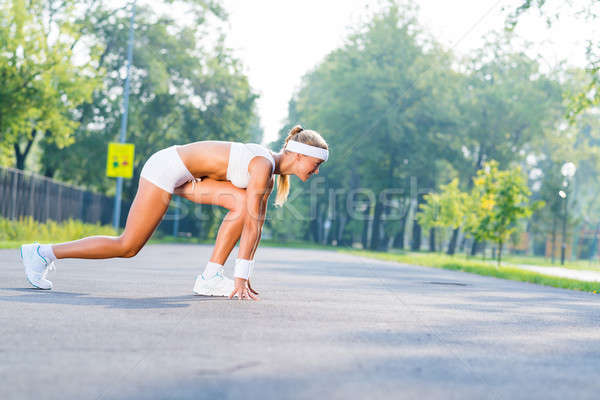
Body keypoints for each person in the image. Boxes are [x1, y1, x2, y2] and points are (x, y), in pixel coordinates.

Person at [20, 125, 329, 300]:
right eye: (317, 165)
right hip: (167, 168)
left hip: (189, 177)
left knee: (240, 204)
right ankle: (42, 253)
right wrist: (241, 277)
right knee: (128, 246)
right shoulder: (263, 165)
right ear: (300, 156)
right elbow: (252, 227)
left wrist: (242, 277)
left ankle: (209, 277)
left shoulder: (269, 175)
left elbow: (255, 224)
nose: (316, 172)